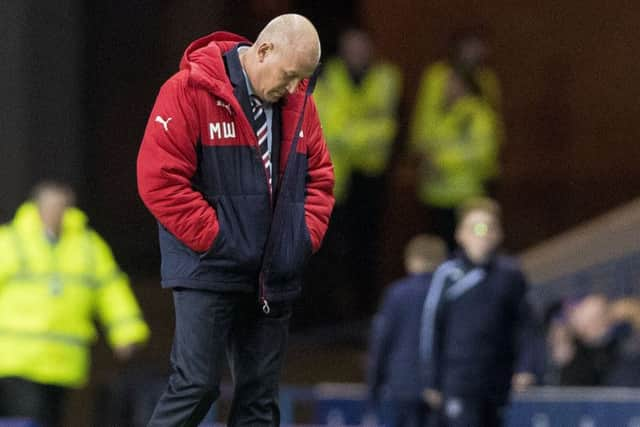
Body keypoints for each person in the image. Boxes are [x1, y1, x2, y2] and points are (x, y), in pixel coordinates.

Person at [137, 14, 334, 427]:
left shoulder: (300, 106)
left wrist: (300, 238)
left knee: (260, 401)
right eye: (291, 75)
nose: (297, 87)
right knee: (196, 385)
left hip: (272, 272)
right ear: (263, 51)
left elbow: (320, 179)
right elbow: (159, 180)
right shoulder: (188, 90)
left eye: (304, 78)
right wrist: (218, 239)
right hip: (206, 267)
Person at [0, 181, 150, 427]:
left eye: (63, 206)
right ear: (36, 207)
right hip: (18, 359)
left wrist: (127, 331)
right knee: (27, 419)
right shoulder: (10, 241)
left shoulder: (88, 246)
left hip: (64, 361)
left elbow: (111, 290)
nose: (57, 212)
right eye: (51, 206)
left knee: (52, 418)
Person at [420, 198, 536, 427]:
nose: (482, 235)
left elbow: (525, 325)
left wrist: (525, 367)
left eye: (488, 228)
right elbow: (431, 327)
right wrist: (430, 379)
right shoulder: (448, 274)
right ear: (460, 234)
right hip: (458, 379)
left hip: (496, 379)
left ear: (499, 234)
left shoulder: (510, 275)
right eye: (474, 228)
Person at [312, 27, 402, 317]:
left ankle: (363, 310)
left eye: (361, 47)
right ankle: (328, 311)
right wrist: (367, 131)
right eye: (350, 47)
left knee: (367, 244)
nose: (356, 54)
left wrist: (352, 132)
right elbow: (330, 127)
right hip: (335, 178)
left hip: (372, 176)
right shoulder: (328, 76)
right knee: (329, 248)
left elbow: (389, 128)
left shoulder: (386, 77)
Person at [410, 30, 503, 251]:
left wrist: (441, 163)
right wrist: (424, 159)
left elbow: (485, 146)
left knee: (471, 248)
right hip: (436, 192)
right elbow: (423, 129)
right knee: (441, 248)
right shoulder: (437, 84)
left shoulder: (479, 109)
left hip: (469, 190)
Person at [367, 234, 446, 427]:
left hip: (402, 386)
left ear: (410, 260)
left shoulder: (396, 293)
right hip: (441, 388)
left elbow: (382, 341)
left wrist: (373, 385)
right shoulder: (448, 293)